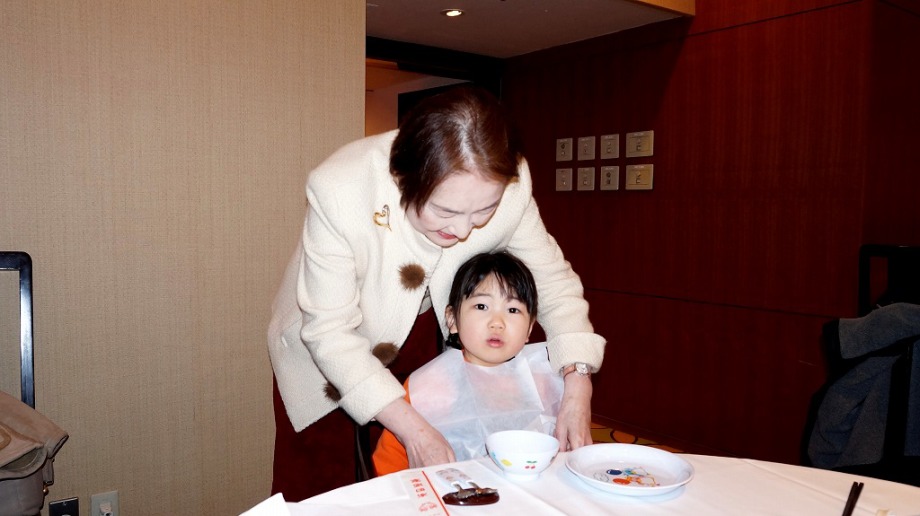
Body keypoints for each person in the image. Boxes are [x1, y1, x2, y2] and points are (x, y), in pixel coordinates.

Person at [267, 85, 606, 500]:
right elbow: (328, 331)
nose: (463, 231)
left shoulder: (511, 182)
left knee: (425, 490)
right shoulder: (341, 187)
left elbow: (553, 281)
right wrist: (414, 429)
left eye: (484, 211)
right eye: (445, 211)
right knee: (325, 491)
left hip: (422, 333)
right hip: (326, 354)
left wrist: (578, 384)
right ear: (403, 179)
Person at [372, 251, 565, 475]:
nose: (497, 322)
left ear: (529, 328)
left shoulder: (543, 383)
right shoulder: (428, 387)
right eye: (482, 306)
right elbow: (389, 464)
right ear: (452, 319)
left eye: (513, 310)